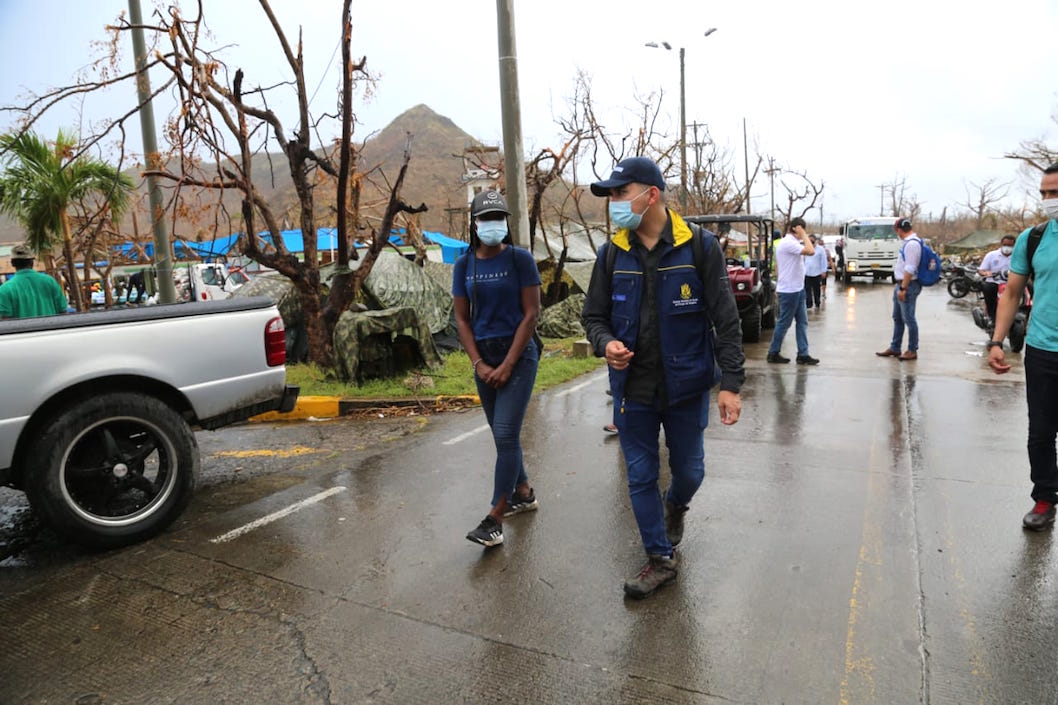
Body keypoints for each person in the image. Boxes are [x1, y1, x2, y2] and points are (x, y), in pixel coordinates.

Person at [581, 156, 744, 599]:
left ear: (650, 195)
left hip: (687, 385)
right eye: (611, 195)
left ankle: (676, 506)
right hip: (633, 388)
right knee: (639, 474)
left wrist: (730, 383)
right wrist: (605, 342)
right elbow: (593, 317)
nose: (613, 202)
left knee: (689, 471)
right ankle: (659, 557)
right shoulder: (611, 252)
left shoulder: (699, 247)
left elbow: (726, 320)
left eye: (619, 192)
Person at [452, 190, 542, 548]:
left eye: (499, 218)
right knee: (502, 435)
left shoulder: (521, 260)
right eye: (486, 218)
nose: (493, 224)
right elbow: (461, 319)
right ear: (474, 224)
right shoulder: (464, 264)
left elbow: (531, 313)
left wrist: (506, 365)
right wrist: (479, 363)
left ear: (506, 222)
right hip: (483, 358)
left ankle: (495, 518)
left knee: (505, 434)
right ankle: (523, 491)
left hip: (518, 356)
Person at [988, 163, 1058, 531]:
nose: (1048, 200)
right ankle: (1045, 497)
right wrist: (997, 342)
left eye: (1055, 192)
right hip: (1044, 348)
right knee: (1041, 432)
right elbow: (1012, 292)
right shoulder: (1033, 238)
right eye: (1044, 193)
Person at [766, 218, 819, 365]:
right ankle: (773, 352)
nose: (804, 231)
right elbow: (811, 250)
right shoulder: (788, 242)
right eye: (802, 228)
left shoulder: (792, 243)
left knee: (802, 322)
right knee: (784, 323)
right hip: (790, 291)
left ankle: (803, 354)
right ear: (795, 228)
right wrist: (803, 235)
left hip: (797, 289)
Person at [875, 218, 922, 361]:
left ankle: (912, 350)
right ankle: (895, 347)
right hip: (901, 284)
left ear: (899, 230)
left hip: (908, 285)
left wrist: (903, 288)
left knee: (909, 319)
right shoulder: (908, 243)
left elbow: (910, 268)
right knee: (898, 318)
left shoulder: (912, 244)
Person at [0, 244, 67, 319]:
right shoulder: (50, 282)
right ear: (32, 262)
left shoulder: (5, 289)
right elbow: (63, 311)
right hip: (51, 330)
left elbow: (6, 320)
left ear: (12, 263)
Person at [978, 234, 1016, 324]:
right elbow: (981, 270)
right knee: (988, 288)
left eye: (1010, 246)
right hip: (993, 283)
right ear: (1001, 244)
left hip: (1011, 283)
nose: (1007, 247)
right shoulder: (991, 255)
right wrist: (986, 273)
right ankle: (991, 315)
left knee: (1028, 289)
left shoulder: (1018, 257)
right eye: (1005, 245)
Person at [803, 234, 828, 310]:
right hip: (807, 273)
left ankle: (817, 303)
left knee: (816, 289)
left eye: (812, 241)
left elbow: (824, 261)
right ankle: (809, 304)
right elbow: (802, 260)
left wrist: (824, 271)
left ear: (815, 241)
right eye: (809, 241)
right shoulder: (805, 249)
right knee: (807, 289)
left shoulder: (820, 249)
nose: (811, 243)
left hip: (817, 273)